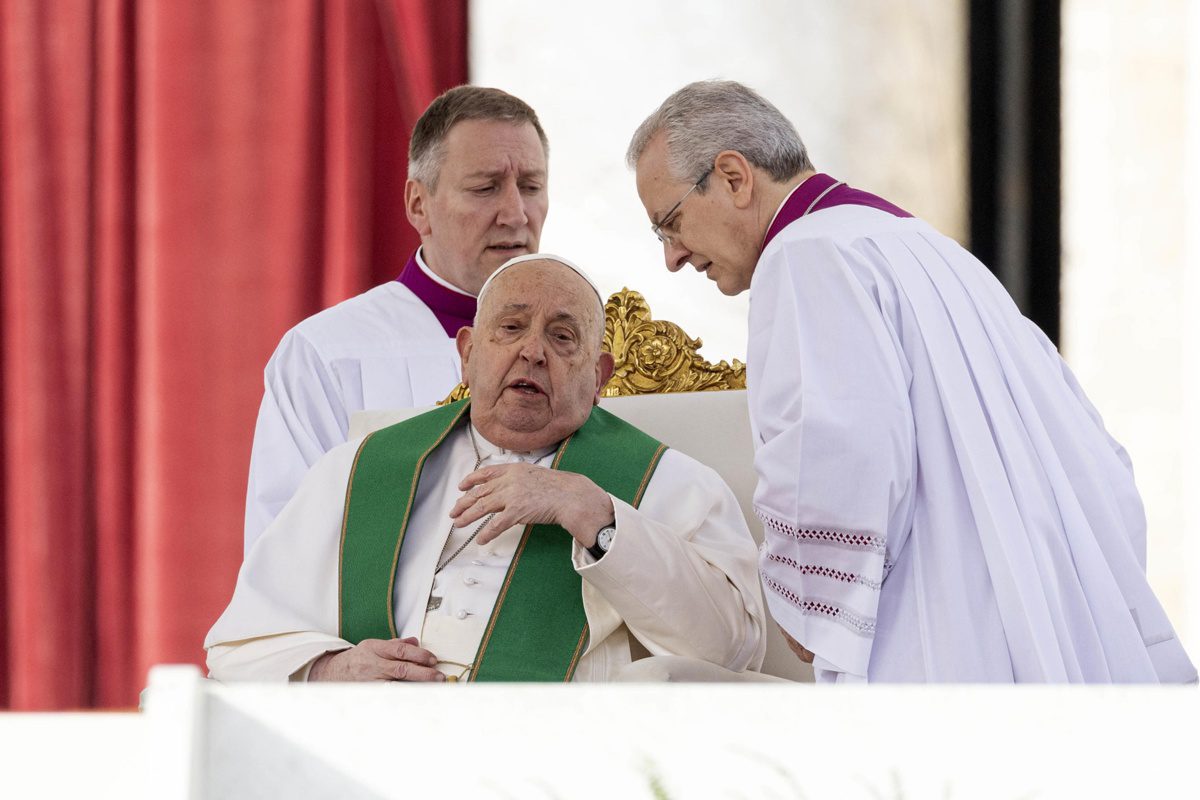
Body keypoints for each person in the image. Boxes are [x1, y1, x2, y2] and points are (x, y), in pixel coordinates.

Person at [626, 80, 1197, 684]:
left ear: (735, 177)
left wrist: (812, 600)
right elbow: (1095, 453)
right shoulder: (936, 251)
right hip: (1041, 615)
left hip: (939, 638)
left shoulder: (806, 256)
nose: (673, 257)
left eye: (670, 223)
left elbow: (840, 447)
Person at [207, 254, 766, 682]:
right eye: (511, 327)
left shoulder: (671, 483)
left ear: (599, 377)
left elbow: (732, 649)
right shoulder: (357, 470)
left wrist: (596, 515)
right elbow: (238, 647)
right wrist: (331, 670)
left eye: (562, 336)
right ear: (468, 353)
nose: (533, 352)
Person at [243, 86, 550, 551]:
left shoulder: (588, 345)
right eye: (485, 188)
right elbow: (282, 550)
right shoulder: (328, 354)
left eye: (531, 187)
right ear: (418, 205)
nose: (515, 213)